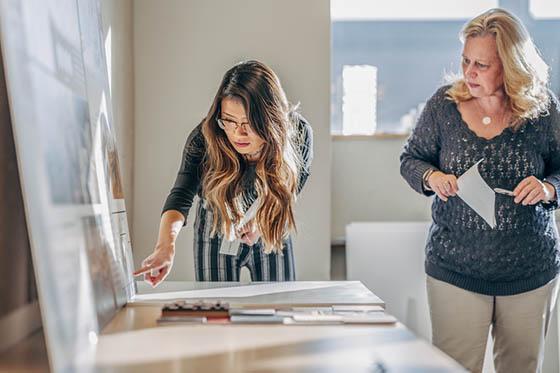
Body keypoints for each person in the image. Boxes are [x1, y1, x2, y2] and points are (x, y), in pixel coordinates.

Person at [400, 8, 560, 373]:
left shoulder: (543, 109)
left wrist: (549, 188)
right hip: (455, 267)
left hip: (529, 271)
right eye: (465, 61)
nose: (469, 72)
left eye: (482, 65)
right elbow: (411, 160)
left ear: (510, 65)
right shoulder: (444, 106)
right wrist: (431, 178)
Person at [134, 60, 313, 284]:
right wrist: (165, 246)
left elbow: (293, 185)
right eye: (229, 120)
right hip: (216, 225)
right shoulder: (204, 139)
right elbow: (181, 194)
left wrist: (261, 220)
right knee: (215, 308)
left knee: (278, 306)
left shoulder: (298, 133)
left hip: (269, 218)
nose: (239, 133)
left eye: (250, 122)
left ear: (271, 118)